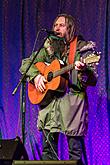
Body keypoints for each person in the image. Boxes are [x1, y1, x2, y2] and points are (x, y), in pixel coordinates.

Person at [19, 14, 99, 164]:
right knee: (48, 149)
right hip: (51, 103)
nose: (56, 28)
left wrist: (84, 70)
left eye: (61, 25)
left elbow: (93, 79)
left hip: (72, 101)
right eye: (55, 25)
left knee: (74, 150)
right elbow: (26, 64)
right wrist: (36, 77)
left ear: (70, 27)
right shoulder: (49, 47)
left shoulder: (82, 47)